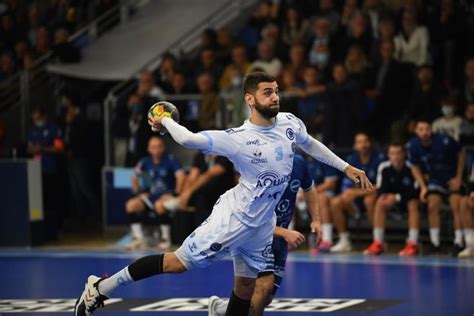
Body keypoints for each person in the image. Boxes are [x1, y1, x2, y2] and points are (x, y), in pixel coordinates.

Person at [74, 72, 372, 316]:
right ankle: (100, 289)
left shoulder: (290, 123)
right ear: (250, 99)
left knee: (245, 289)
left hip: (260, 226)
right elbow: (189, 138)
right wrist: (164, 120)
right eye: (268, 92)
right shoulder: (239, 139)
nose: (275, 97)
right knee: (176, 264)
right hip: (234, 219)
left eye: (277, 90)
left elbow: (311, 145)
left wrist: (347, 168)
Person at [207, 154, 322, 316]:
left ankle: (219, 308)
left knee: (265, 297)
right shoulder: (259, 167)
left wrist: (316, 220)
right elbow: (248, 215)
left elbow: (309, 188)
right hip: (255, 235)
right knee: (264, 286)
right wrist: (284, 232)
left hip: (279, 239)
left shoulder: (298, 162)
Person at [406, 120, 465, 255]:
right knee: (432, 204)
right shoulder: (413, 145)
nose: (424, 132)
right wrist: (423, 187)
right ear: (416, 131)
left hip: (451, 178)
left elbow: (461, 153)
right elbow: (414, 167)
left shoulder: (445, 140)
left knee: (456, 204)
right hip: (435, 180)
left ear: (431, 130)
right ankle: (435, 243)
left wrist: (459, 178)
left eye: (427, 129)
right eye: (421, 129)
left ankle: (459, 242)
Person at [124, 136, 186, 250]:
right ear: (149, 149)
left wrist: (174, 194)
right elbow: (134, 176)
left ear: (163, 148)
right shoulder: (145, 161)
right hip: (153, 196)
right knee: (131, 205)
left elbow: (181, 176)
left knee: (159, 205)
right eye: (153, 147)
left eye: (159, 147)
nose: (156, 150)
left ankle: (166, 239)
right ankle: (139, 239)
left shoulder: (171, 160)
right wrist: (140, 193)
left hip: (171, 196)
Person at [330, 132, 385, 252]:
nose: (363, 145)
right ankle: (344, 240)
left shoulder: (379, 158)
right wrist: (347, 195)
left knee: (369, 200)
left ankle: (378, 241)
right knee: (335, 202)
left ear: (370, 143)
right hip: (356, 198)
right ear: (355, 146)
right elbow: (346, 186)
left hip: (374, 195)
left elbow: (381, 186)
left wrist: (356, 193)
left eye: (365, 141)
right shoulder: (351, 159)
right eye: (360, 142)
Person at [363, 143, 420, 256]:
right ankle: (378, 243)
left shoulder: (411, 168)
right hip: (391, 202)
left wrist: (397, 197)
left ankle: (413, 244)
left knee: (413, 203)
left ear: (404, 154)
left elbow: (415, 191)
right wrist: (388, 197)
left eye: (399, 153)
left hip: (406, 200)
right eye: (393, 153)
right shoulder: (384, 167)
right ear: (388, 155)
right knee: (380, 202)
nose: (396, 156)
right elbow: (381, 189)